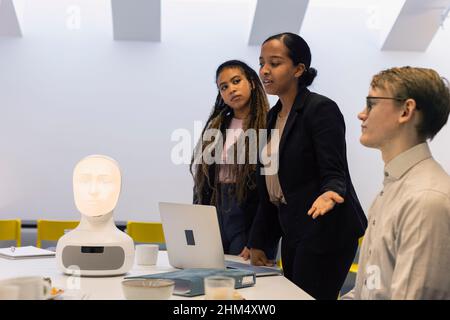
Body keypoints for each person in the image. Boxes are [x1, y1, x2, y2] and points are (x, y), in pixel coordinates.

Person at [248, 32, 367, 300]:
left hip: (326, 230)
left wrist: (332, 191)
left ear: (299, 69)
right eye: (262, 63)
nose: (265, 71)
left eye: (275, 63)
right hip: (293, 227)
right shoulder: (272, 115)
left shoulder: (320, 108)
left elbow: (334, 170)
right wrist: (259, 241)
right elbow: (270, 186)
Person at [342, 67, 450, 300]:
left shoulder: (426, 200)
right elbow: (367, 290)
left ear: (406, 110)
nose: (361, 114)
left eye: (371, 103)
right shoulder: (392, 189)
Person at [191, 60, 277, 260]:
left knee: (247, 280)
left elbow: (269, 193)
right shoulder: (217, 125)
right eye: (224, 87)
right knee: (211, 274)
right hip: (216, 207)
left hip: (248, 212)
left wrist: (257, 240)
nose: (231, 89)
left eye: (236, 81)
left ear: (253, 83)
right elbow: (202, 181)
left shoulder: (269, 124)